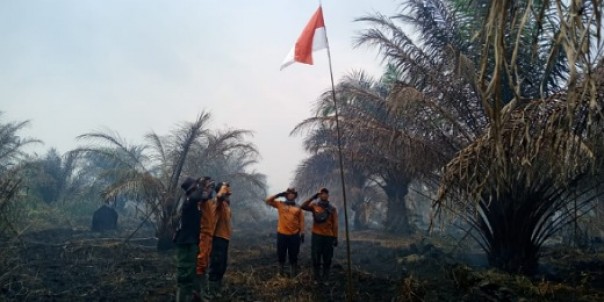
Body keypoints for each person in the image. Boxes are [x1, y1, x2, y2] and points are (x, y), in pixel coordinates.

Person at [174, 176, 214, 302]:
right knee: (185, 275)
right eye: (196, 187)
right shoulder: (188, 200)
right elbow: (199, 196)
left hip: (191, 242)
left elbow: (206, 196)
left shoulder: (192, 201)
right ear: (192, 189)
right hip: (186, 243)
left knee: (191, 273)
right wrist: (201, 185)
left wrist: (208, 187)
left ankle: (193, 297)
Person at [300, 187, 338, 283]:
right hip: (316, 236)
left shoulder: (332, 209)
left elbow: (335, 224)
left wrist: (335, 237)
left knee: (327, 258)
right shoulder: (314, 206)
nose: (324, 195)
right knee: (316, 257)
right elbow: (303, 206)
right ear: (319, 195)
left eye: (325, 193)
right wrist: (312, 197)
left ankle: (326, 278)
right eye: (322, 193)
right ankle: (316, 277)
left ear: (328, 196)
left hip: (328, 237)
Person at [265, 188, 305, 277]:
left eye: (292, 194)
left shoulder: (298, 207)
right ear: (286, 195)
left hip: (294, 235)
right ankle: (280, 273)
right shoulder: (280, 204)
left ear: (295, 195)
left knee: (293, 254)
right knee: (281, 254)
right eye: (289, 193)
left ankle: (293, 274)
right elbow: (267, 201)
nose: (291, 195)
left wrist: (302, 233)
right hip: (282, 234)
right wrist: (278, 194)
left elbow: (301, 221)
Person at [207, 181, 232, 298]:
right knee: (216, 265)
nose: (228, 193)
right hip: (217, 238)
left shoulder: (226, 205)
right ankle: (212, 290)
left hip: (225, 238)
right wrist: (223, 186)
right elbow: (219, 196)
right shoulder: (217, 203)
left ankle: (218, 288)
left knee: (222, 265)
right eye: (226, 190)